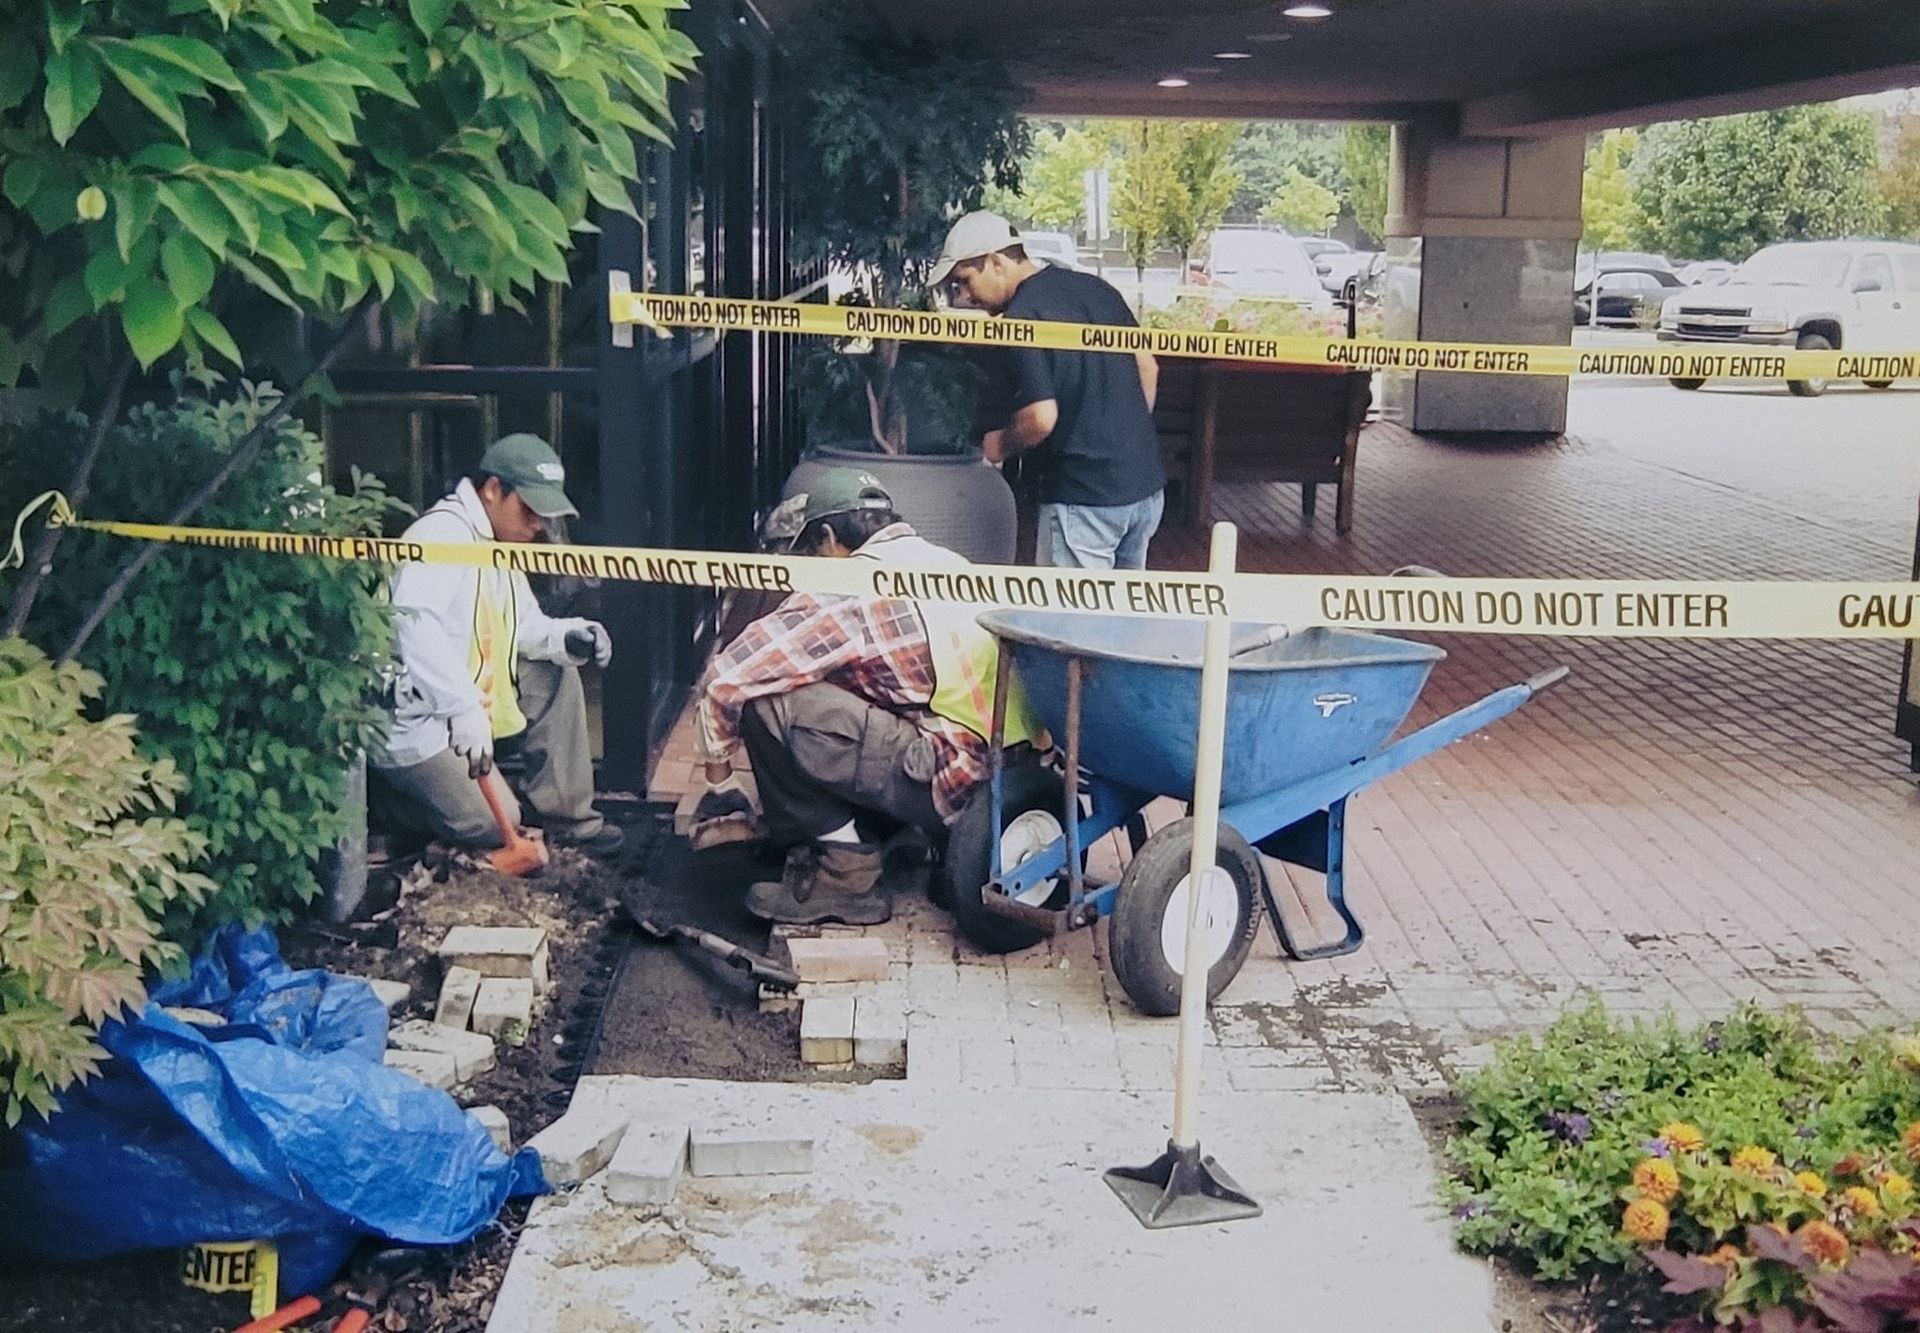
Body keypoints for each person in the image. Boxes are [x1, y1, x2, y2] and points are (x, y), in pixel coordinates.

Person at [690, 469, 1038, 926]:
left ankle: (844, 871)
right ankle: (888, 830)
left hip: (952, 782)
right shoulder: (944, 560)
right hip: (1004, 774)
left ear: (829, 538)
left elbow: (727, 678)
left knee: (767, 703)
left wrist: (720, 785)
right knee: (849, 679)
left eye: (812, 552)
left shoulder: (850, 585)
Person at [370, 433, 624, 858]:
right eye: (530, 509)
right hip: (410, 719)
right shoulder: (442, 535)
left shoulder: (492, 540)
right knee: (492, 823)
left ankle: (569, 820)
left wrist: (565, 637)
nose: (538, 524)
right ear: (492, 489)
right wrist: (462, 707)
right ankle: (380, 802)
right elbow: (414, 628)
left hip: (456, 700)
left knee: (555, 672)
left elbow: (516, 625)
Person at [932, 210, 1167, 570]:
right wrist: (1121, 439)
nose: (964, 296)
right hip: (1144, 488)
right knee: (1122, 606)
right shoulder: (1096, 288)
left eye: (964, 280)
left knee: (1068, 608)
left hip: (1081, 496)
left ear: (996, 262)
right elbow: (1147, 367)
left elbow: (1041, 417)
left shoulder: (1022, 317)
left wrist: (998, 445)